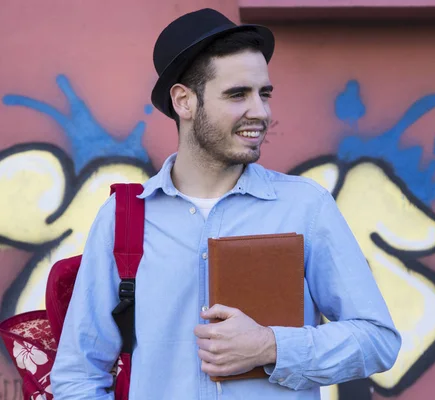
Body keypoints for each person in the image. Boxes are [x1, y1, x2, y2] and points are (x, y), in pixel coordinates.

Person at [50, 8, 401, 399]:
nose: (261, 112)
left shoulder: (306, 207)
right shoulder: (124, 218)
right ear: (184, 101)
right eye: (238, 94)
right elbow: (78, 375)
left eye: (263, 94)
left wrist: (271, 346)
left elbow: (377, 339)